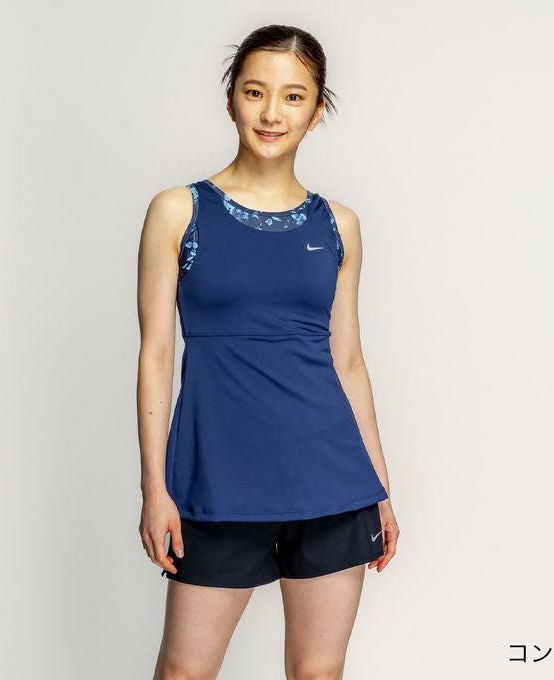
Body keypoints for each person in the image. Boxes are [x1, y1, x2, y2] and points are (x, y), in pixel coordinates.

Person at [137, 24, 400, 680]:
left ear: (317, 109)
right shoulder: (178, 211)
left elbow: (349, 362)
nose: (272, 112)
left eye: (293, 96)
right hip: (218, 482)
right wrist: (155, 488)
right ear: (230, 98)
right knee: (184, 671)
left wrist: (381, 489)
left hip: (333, 482)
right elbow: (156, 355)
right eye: (255, 92)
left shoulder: (339, 226)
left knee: (318, 672)